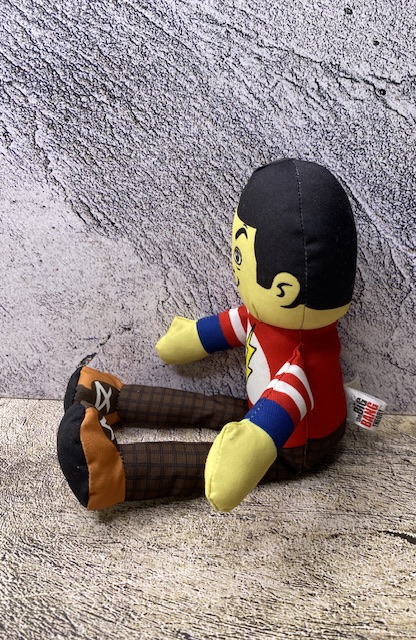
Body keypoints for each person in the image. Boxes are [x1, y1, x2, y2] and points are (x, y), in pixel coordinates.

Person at [57, 158, 357, 512]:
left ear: (283, 289)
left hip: (296, 445)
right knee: (210, 407)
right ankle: (114, 398)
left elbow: (285, 399)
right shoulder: (264, 318)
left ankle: (111, 474)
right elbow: (229, 326)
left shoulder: (300, 360)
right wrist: (191, 337)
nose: (235, 264)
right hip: (259, 405)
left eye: (240, 256)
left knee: (220, 460)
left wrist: (251, 443)